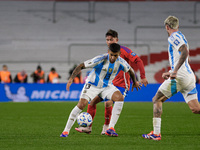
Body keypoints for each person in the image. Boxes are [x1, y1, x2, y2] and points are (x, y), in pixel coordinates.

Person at [75, 29, 148, 134]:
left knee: (108, 103)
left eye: (111, 39)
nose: (109, 42)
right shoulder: (108, 54)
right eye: (107, 40)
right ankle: (88, 127)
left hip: (122, 85)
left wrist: (143, 77)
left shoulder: (124, 50)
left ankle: (107, 127)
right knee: (92, 102)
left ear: (117, 40)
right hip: (109, 84)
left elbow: (138, 60)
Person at [60, 43, 141, 137]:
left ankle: (110, 128)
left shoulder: (121, 61)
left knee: (119, 98)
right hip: (92, 85)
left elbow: (130, 70)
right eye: (111, 55)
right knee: (82, 104)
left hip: (107, 87)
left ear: (119, 54)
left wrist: (135, 82)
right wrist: (71, 79)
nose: (113, 58)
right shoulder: (101, 59)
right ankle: (66, 131)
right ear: (108, 52)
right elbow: (82, 65)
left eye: (115, 55)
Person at [142, 16, 200, 141]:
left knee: (157, 99)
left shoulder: (173, 37)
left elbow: (184, 51)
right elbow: (185, 56)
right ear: (177, 26)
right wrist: (170, 71)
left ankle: (156, 134)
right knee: (196, 109)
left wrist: (174, 71)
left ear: (167, 27)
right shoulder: (182, 36)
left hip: (180, 77)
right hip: (189, 76)